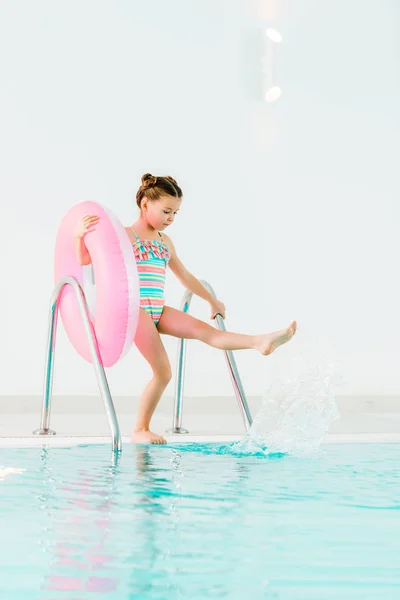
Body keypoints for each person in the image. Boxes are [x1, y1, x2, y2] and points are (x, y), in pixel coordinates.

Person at [74, 173, 297, 444]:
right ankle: (140, 428)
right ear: (145, 205)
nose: (171, 218)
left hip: (157, 309)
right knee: (163, 372)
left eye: (175, 213)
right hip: (135, 311)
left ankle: (259, 341)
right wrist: (79, 237)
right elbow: (89, 261)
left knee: (207, 333)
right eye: (166, 211)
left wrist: (211, 301)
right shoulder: (124, 235)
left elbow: (186, 277)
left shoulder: (165, 243)